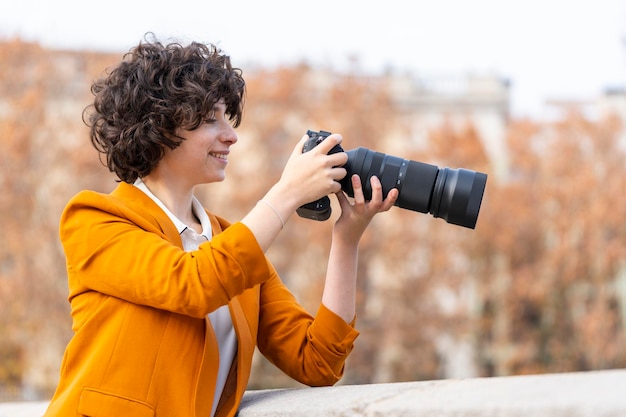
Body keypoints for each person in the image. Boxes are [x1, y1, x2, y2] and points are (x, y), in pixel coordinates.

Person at [44, 34, 398, 417]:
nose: (230, 135)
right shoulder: (94, 220)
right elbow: (191, 284)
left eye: (227, 119)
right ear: (160, 126)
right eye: (211, 119)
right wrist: (286, 193)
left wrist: (347, 238)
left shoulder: (231, 245)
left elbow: (317, 361)